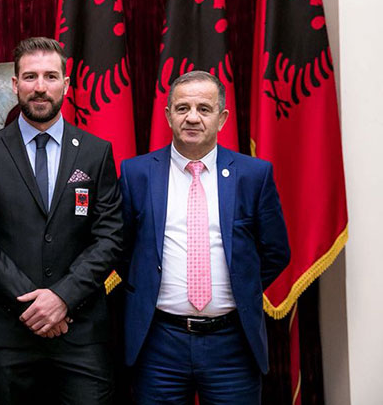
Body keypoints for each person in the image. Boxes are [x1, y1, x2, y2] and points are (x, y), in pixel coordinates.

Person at [0, 37, 124, 404]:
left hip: (80, 332)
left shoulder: (96, 152)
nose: (40, 87)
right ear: (14, 84)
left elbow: (110, 237)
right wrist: (34, 305)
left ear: (66, 84)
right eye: (30, 76)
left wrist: (63, 298)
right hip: (9, 332)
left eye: (51, 76)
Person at [119, 70, 291, 404]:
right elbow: (121, 250)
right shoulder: (136, 173)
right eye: (182, 108)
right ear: (168, 115)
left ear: (222, 118)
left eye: (204, 109)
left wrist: (240, 286)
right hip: (159, 344)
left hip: (232, 345)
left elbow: (276, 251)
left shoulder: (253, 175)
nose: (192, 118)